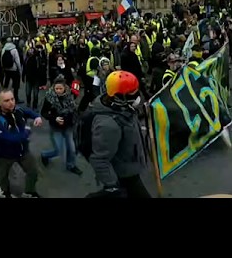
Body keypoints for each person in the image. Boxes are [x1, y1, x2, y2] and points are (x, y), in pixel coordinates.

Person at [86, 70, 150, 198]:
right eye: (132, 92)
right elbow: (100, 159)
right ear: (119, 96)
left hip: (130, 168)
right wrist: (112, 186)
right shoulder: (108, 125)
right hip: (124, 175)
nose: (138, 95)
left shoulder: (122, 107)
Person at [0, 89, 43, 198]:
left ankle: (29, 192)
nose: (11, 102)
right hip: (5, 154)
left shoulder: (18, 110)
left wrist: (37, 117)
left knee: (33, 172)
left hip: (23, 151)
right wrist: (26, 131)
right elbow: (9, 139)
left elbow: (28, 112)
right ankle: (6, 193)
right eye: (7, 100)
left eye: (12, 99)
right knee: (3, 176)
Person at [40, 76, 82, 175]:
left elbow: (74, 109)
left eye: (60, 89)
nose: (58, 91)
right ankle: (45, 155)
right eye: (56, 89)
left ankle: (71, 165)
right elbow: (44, 112)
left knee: (71, 148)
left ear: (65, 88)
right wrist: (55, 118)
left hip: (68, 126)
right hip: (56, 127)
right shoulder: (49, 98)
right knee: (58, 150)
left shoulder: (70, 95)